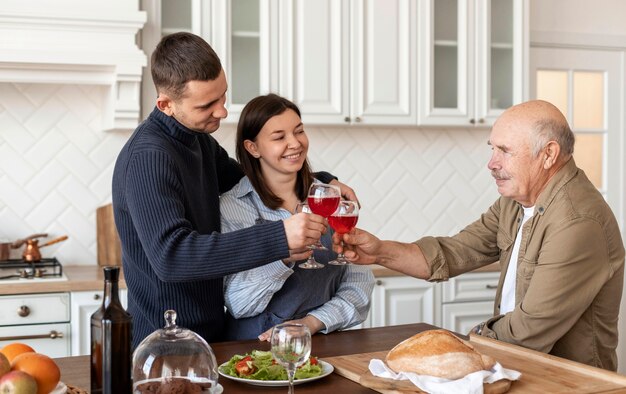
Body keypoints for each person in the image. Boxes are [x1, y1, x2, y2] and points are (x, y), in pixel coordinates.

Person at [334, 100, 625, 371]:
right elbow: (454, 252)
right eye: (492, 149)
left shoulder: (577, 221)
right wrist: (378, 252)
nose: (492, 163)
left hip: (570, 383)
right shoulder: (515, 202)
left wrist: (466, 344)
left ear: (548, 154)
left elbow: (531, 329)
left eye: (505, 151)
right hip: (519, 368)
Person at [112, 32, 356, 348]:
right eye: (207, 105)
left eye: (223, 96)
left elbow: (253, 180)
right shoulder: (149, 156)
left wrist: (323, 182)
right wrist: (280, 238)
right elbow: (171, 257)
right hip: (164, 342)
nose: (222, 112)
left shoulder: (198, 141)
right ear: (166, 104)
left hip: (210, 335)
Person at [220, 94, 374, 341]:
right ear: (253, 147)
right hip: (254, 350)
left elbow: (359, 284)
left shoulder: (330, 198)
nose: (295, 143)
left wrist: (311, 323)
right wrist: (282, 256)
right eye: (280, 137)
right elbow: (239, 304)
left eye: (299, 131)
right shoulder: (233, 207)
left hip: (322, 346)